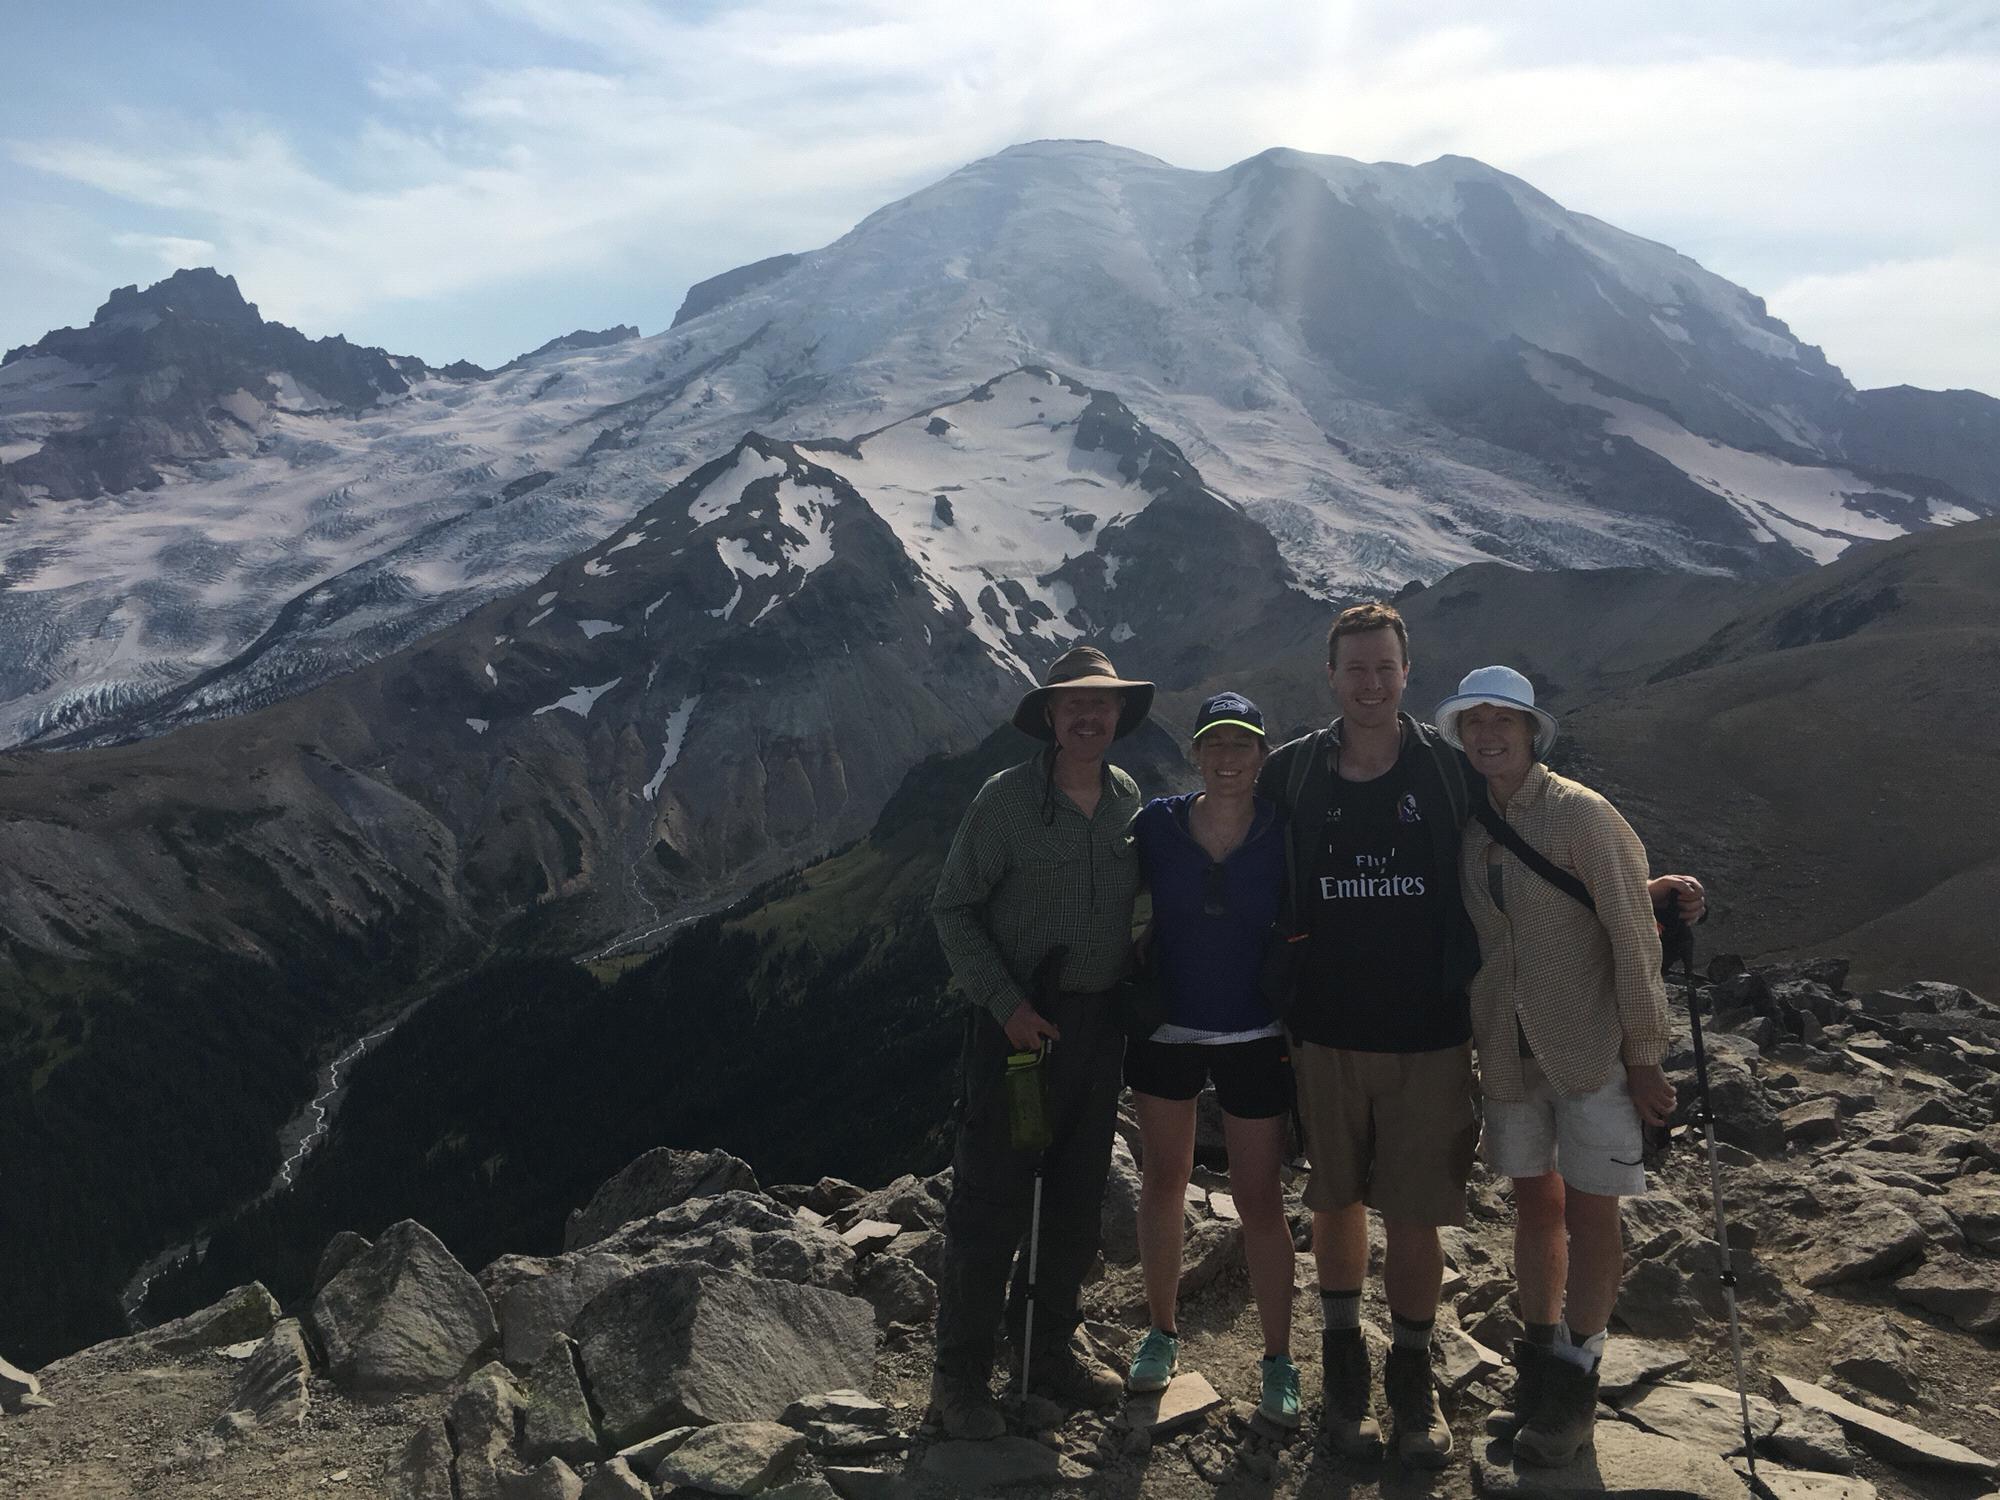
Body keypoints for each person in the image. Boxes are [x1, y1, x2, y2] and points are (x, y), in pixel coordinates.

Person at [1257, 603, 1702, 1467]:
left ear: (1406, 675)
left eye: (1385, 668)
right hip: (1379, 1036)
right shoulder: (1305, 774)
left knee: (1441, 1214)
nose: (1371, 683)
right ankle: (1376, 1374)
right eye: (1356, 669)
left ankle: (1458, 1383)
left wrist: (1650, 915)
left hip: (1456, 1039)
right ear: (1332, 677)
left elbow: (1589, 886)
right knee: (1363, 1202)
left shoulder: (1461, 777)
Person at [1434, 666, 1681, 1467]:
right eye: (1475, 722)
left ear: (1533, 731)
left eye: (1503, 720)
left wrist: (1645, 1056)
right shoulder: (1475, 827)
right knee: (1535, 1207)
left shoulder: (1583, 813)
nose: (1488, 734)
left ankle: (1577, 1380)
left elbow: (1633, 934)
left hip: (1590, 1048)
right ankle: (1537, 1371)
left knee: (1592, 1212)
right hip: (1508, 1053)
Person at [928, 645, 1154, 1440]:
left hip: (1098, 1030)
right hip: (1015, 1033)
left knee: (1074, 1202)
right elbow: (952, 907)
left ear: (1120, 715)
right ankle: (957, 1381)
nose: (1089, 717)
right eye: (1073, 706)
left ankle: (1047, 1349)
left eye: (1103, 705)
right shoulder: (1005, 802)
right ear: (1051, 718)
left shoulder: (1130, 799)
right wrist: (1004, 1003)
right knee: (990, 1204)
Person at [1125, 692, 1300, 1429]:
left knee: (1259, 1199)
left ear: (1262, 755)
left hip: (1255, 1031)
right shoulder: (1157, 825)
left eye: (1243, 745)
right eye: (1215, 745)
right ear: (1195, 752)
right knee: (1164, 1181)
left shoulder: (1283, 831)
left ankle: (1279, 1358)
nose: (1229, 759)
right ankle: (1161, 1334)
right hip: (1166, 1028)